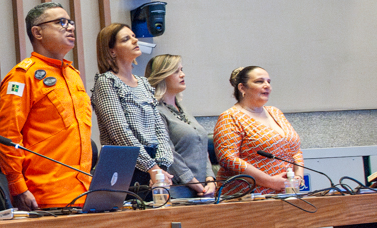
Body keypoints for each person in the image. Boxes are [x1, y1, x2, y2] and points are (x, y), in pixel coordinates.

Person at [0, 3, 92, 209]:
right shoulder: (22, 76)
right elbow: (7, 135)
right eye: (60, 22)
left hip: (84, 192)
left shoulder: (73, 75)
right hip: (44, 197)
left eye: (70, 22)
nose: (70, 27)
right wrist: (17, 186)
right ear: (37, 32)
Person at [89, 23, 174, 195]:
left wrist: (162, 166)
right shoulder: (107, 82)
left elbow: (160, 129)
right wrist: (152, 167)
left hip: (153, 164)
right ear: (112, 51)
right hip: (123, 165)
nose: (135, 40)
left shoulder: (143, 83)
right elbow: (119, 132)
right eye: (126, 39)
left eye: (134, 36)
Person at [213, 66, 303, 195]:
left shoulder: (275, 112)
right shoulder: (230, 117)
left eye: (268, 82)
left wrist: (298, 177)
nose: (267, 86)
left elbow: (295, 150)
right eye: (259, 81)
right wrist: (270, 181)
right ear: (242, 88)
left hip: (287, 192)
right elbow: (228, 158)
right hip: (247, 196)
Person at [144, 54, 215, 198]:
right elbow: (170, 153)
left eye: (181, 70)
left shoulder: (182, 108)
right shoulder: (155, 111)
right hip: (178, 191)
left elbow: (202, 147)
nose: (183, 74)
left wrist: (210, 179)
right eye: (176, 71)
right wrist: (194, 183)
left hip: (203, 190)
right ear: (161, 76)